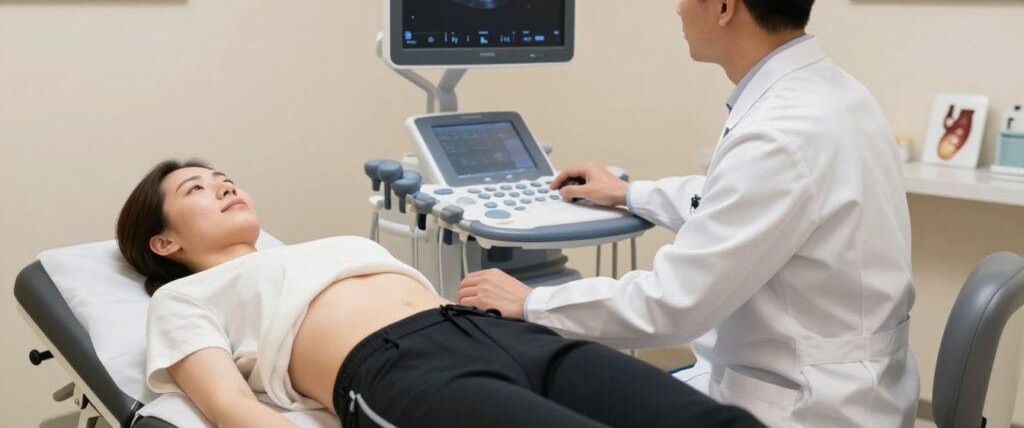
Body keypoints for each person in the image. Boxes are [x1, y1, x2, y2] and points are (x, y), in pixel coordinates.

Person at [458, 0, 919, 428]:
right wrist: (632, 193)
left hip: (803, 407)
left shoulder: (780, 135)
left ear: (722, 4)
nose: (678, 4)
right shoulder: (832, 94)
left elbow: (672, 305)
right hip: (836, 379)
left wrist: (531, 301)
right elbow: (746, 205)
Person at [117, 159, 765, 428]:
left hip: (497, 331)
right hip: (394, 367)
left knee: (712, 422)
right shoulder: (182, 300)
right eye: (196, 189)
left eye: (224, 176)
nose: (224, 185)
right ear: (163, 242)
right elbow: (232, 410)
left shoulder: (306, 250)